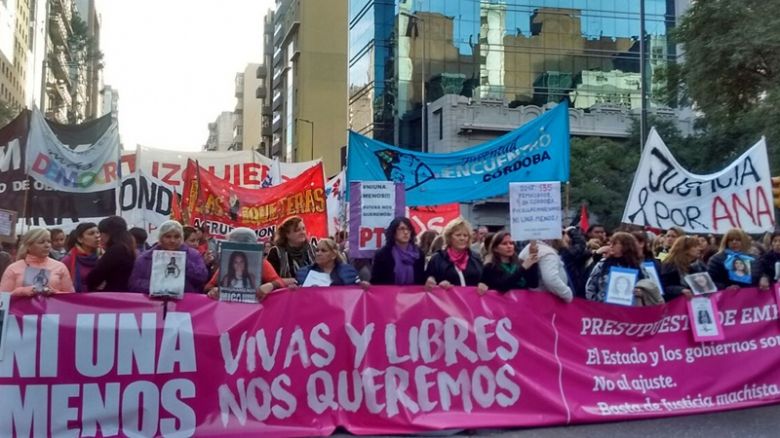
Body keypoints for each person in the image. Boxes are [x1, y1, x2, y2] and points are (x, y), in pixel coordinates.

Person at [205, 227, 292, 301]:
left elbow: (279, 282)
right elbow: (208, 286)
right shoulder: (227, 263)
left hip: (253, 313)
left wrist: (271, 285)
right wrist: (214, 290)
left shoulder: (261, 264)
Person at [128, 220, 209, 294]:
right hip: (154, 305)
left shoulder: (193, 255)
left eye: (176, 237)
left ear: (181, 238)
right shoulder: (146, 258)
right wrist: (159, 286)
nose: (172, 240)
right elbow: (134, 284)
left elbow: (202, 277)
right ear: (160, 238)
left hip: (185, 305)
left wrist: (183, 262)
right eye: (168, 236)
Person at [0, 228, 74, 295]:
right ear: (29, 246)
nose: (47, 245)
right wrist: (20, 292)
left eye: (49, 241)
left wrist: (55, 293)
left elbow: (71, 296)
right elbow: (2, 298)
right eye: (41, 242)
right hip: (21, 309)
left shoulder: (60, 266)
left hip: (52, 309)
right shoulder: (13, 268)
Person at [425, 218, 486, 290]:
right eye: (458, 235)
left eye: (465, 235)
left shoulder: (476, 258)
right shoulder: (437, 259)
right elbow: (428, 280)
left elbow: (485, 279)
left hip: (471, 300)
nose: (462, 238)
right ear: (449, 237)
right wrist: (434, 282)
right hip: (446, 300)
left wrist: (484, 284)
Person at [585, 232, 647, 303]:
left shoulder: (638, 266)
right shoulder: (603, 264)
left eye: (614, 243)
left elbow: (647, 288)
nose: (611, 246)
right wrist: (595, 304)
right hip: (603, 309)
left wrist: (641, 293)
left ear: (625, 246)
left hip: (628, 310)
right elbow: (590, 286)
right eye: (610, 243)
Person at [85, 216, 136, 292]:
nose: (99, 237)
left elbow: (95, 277)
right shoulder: (128, 246)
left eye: (100, 233)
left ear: (107, 234)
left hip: (114, 294)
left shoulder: (116, 250)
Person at [371, 217, 426, 285]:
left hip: (413, 294)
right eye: (401, 229)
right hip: (389, 294)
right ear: (393, 232)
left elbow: (421, 280)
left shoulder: (419, 254)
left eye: (408, 229)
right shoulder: (382, 254)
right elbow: (375, 282)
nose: (406, 232)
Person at [519, 237, 574, 303]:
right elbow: (551, 279)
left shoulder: (531, 247)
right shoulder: (548, 253)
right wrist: (567, 294)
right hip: (548, 301)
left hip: (537, 298)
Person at [296, 238, 361, 286]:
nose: (318, 253)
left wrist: (363, 286)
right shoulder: (303, 273)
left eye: (323, 251)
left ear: (333, 255)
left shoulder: (348, 272)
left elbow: (356, 291)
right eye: (317, 250)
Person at [660, 236, 708, 300]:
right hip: (676, 304)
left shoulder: (698, 265)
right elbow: (664, 287)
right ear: (685, 249)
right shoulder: (670, 265)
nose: (699, 249)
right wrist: (680, 290)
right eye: (695, 247)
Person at [61, 222, 101, 293]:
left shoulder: (103, 255)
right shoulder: (68, 260)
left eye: (98, 232)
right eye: (91, 233)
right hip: (79, 300)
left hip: (102, 298)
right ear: (80, 239)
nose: (97, 236)